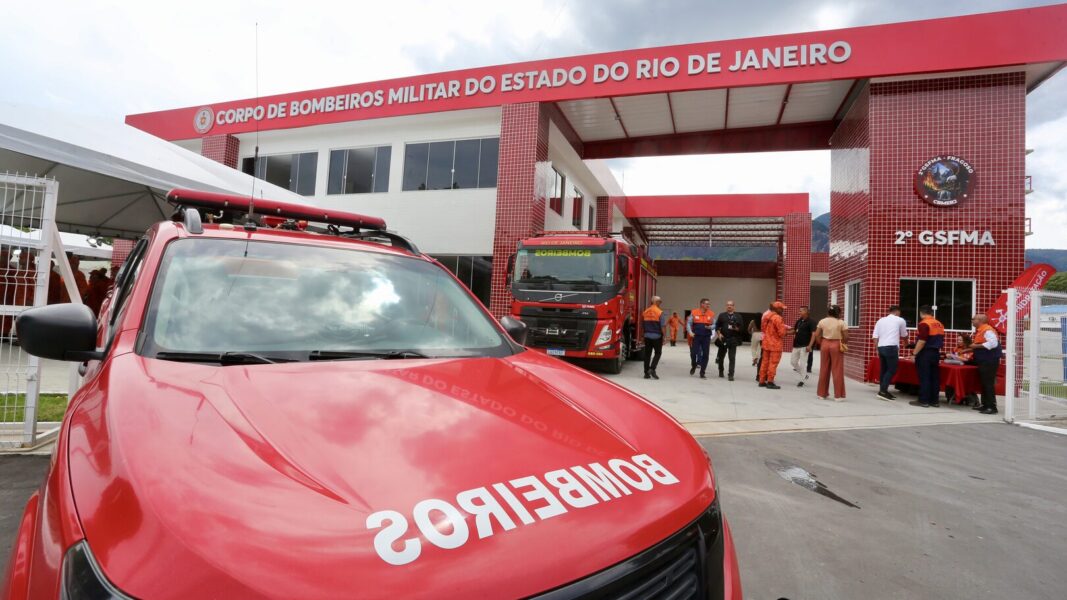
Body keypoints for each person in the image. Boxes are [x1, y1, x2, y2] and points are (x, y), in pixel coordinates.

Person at [909, 305, 945, 408]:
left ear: (921, 313)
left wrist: (914, 353)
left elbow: (922, 340)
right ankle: (935, 401)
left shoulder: (924, 323)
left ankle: (923, 400)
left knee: (924, 377)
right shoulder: (939, 324)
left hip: (925, 353)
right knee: (934, 377)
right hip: (935, 353)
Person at [872, 305, 908, 401]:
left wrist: (877, 349)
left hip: (881, 347)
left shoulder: (880, 320)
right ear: (897, 312)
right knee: (892, 369)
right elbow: (904, 335)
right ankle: (883, 391)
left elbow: (875, 336)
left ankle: (883, 390)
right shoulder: (900, 320)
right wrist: (906, 344)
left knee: (884, 369)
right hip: (891, 347)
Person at [968, 313, 1002, 415]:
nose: (972, 320)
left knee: (988, 383)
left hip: (989, 360)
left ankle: (992, 407)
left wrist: (976, 347)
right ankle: (985, 405)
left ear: (980, 320)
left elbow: (993, 343)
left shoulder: (987, 330)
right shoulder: (981, 330)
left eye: (974, 319)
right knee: (984, 383)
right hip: (984, 360)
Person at [814, 305, 848, 401]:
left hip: (825, 344)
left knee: (824, 369)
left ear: (828, 312)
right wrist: (843, 343)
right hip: (836, 344)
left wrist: (821, 343)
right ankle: (838, 395)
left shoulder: (822, 321)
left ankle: (821, 394)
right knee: (837, 370)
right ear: (839, 313)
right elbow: (846, 336)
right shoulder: (841, 322)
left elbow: (817, 335)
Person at [758, 301, 788, 389]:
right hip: (775, 345)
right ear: (777, 309)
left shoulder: (766, 316)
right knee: (773, 363)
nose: (782, 310)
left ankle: (762, 381)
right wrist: (787, 332)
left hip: (766, 343)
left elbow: (763, 329)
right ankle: (770, 382)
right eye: (781, 309)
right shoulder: (778, 318)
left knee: (764, 362)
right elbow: (782, 333)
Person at [715, 300, 744, 380]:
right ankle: (721, 371)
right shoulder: (722, 315)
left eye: (731, 305)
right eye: (728, 305)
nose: (729, 306)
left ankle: (731, 374)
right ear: (726, 306)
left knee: (732, 358)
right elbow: (717, 326)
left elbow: (742, 329)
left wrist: (736, 328)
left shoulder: (738, 316)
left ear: (733, 306)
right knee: (721, 357)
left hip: (733, 339)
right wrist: (719, 334)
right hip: (723, 339)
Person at [687, 298, 716, 379]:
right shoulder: (694, 312)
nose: (708, 305)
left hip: (706, 337)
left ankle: (702, 372)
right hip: (696, 336)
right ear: (702, 304)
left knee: (705, 355)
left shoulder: (711, 313)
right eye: (707, 304)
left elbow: (715, 324)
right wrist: (690, 332)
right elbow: (689, 323)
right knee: (693, 353)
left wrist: (711, 327)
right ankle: (694, 365)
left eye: (709, 304)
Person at [642, 296, 666, 379]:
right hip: (657, 336)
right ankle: (652, 369)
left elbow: (643, 324)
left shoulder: (646, 311)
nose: (661, 303)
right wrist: (665, 336)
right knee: (658, 353)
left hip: (647, 336)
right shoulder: (659, 312)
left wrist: (643, 335)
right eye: (660, 301)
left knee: (647, 355)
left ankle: (646, 373)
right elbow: (663, 326)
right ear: (657, 302)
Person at [790, 306, 815, 383]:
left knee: (802, 364)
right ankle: (804, 375)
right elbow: (794, 331)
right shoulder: (799, 321)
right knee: (793, 362)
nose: (799, 312)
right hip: (796, 345)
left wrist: (810, 346)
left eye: (801, 311)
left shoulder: (811, 321)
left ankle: (802, 380)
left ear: (806, 312)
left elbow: (814, 334)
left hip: (805, 346)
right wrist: (786, 333)